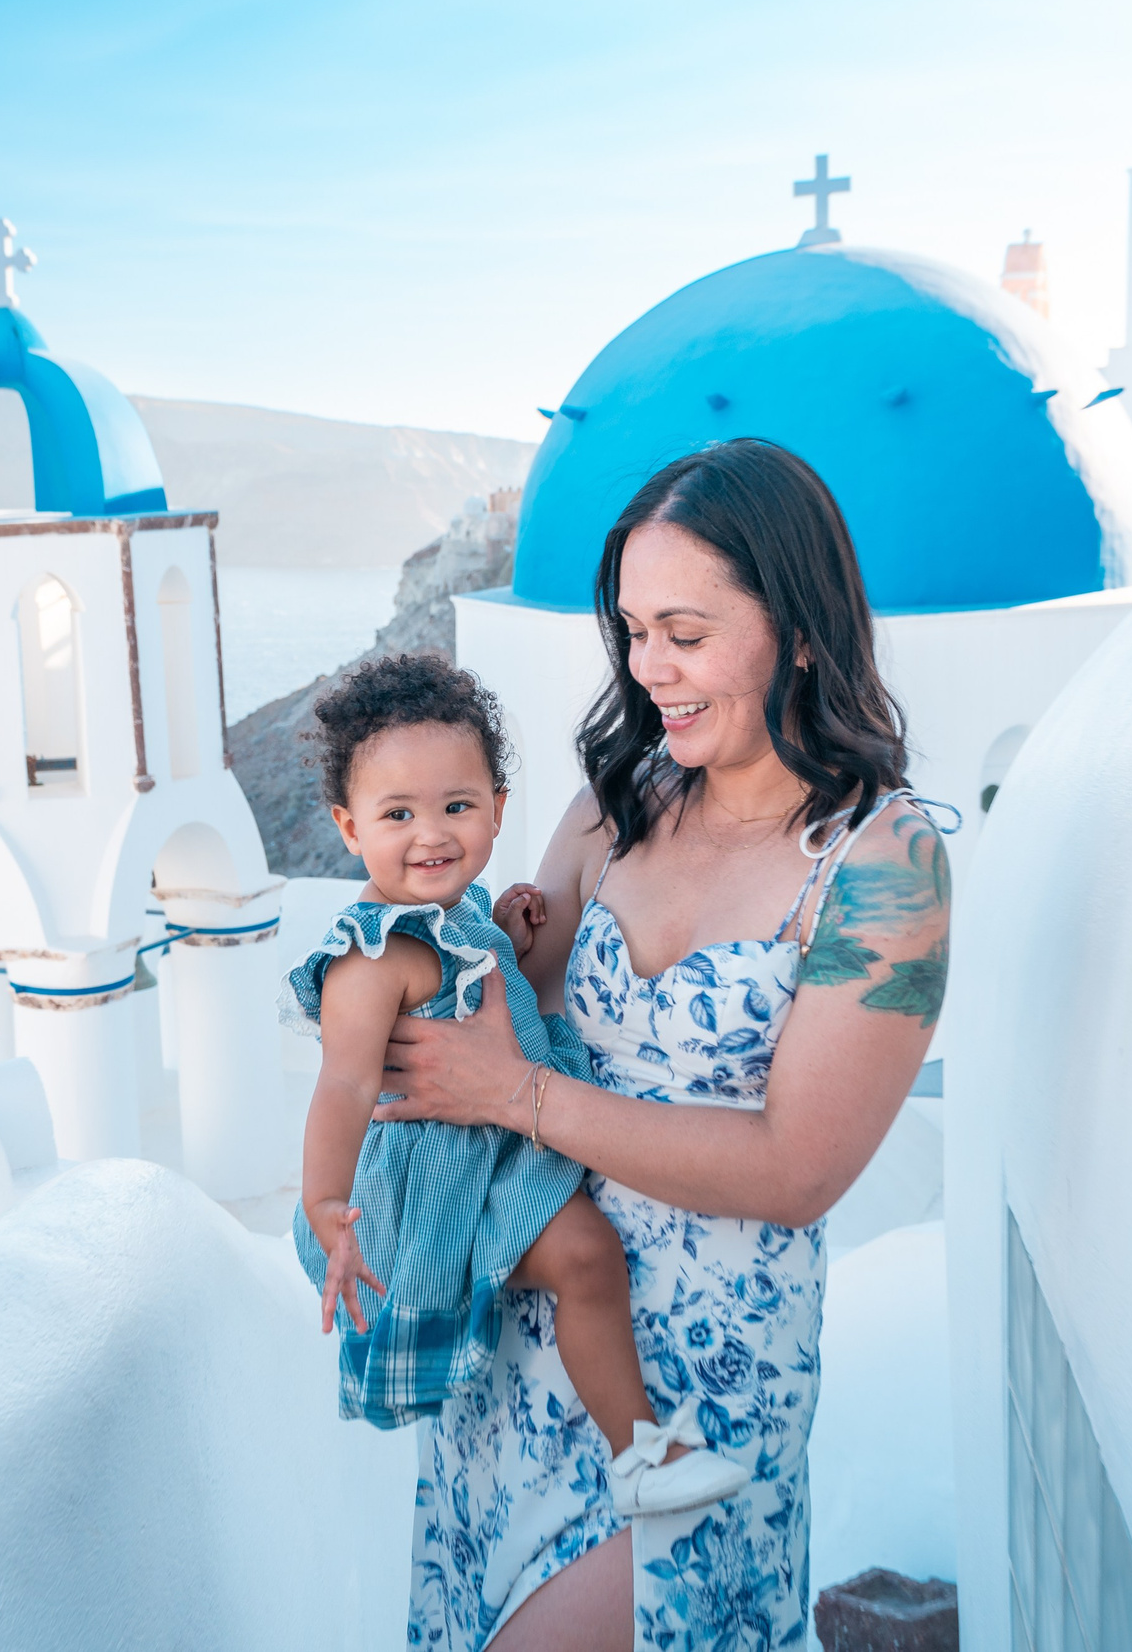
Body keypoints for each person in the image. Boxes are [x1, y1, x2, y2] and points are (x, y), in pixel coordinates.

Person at [372, 440, 956, 1651]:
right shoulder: (612, 802)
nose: (650, 669)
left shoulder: (882, 865)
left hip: (705, 1389)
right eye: (632, 631)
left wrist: (522, 1094)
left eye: (685, 632)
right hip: (528, 1337)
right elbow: (498, 1009)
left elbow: (799, 1164)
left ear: (797, 628)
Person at [286, 651, 750, 1517]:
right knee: (585, 1255)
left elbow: (487, 1002)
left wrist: (504, 935)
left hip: (488, 1158)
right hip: (429, 1196)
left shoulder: (457, 914)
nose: (432, 834)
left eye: (457, 806)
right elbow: (344, 1088)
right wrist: (323, 1206)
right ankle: (638, 1454)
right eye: (398, 814)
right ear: (349, 829)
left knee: (589, 1253)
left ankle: (633, 1448)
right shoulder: (368, 960)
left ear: (498, 811)